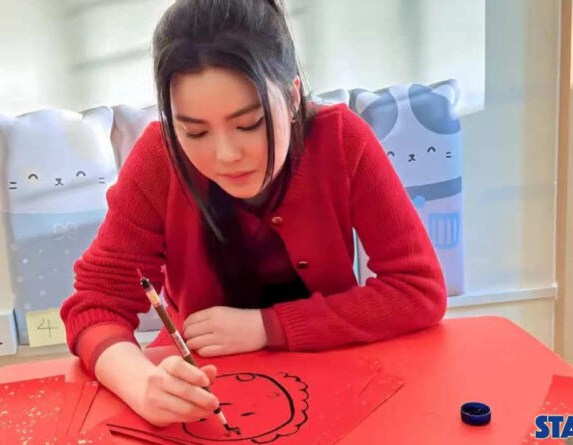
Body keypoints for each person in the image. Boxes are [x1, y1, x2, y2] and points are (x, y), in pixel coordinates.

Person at [60, 0, 446, 428]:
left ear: (293, 96)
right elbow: (95, 303)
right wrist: (140, 382)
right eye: (195, 132)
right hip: (210, 396)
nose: (226, 155)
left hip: (341, 384)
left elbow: (418, 289)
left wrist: (267, 326)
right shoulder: (160, 157)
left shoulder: (342, 139)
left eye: (250, 124)